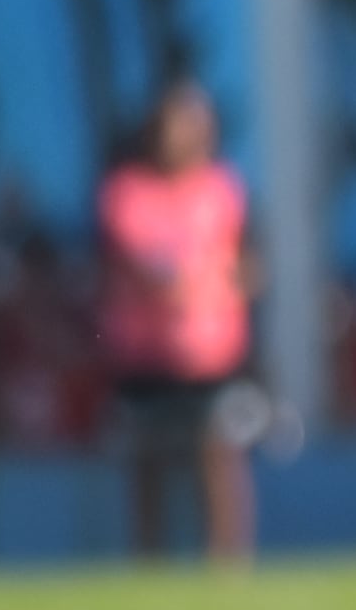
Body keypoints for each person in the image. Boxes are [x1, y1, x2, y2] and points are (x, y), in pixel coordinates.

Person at [98, 76, 260, 562]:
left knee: (220, 457)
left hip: (212, 354)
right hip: (145, 356)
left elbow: (248, 265)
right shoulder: (127, 194)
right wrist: (195, 282)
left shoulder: (222, 190)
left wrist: (234, 283)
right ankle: (149, 562)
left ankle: (227, 564)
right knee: (148, 462)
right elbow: (144, 268)